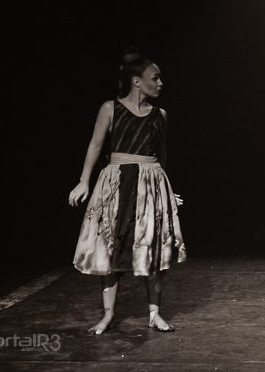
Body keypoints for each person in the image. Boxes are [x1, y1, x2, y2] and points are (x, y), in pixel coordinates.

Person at [69, 47, 187, 334]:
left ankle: (154, 313)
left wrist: (167, 190)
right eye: (155, 78)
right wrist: (84, 181)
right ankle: (108, 314)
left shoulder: (160, 115)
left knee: (153, 247)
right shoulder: (110, 108)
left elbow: (163, 154)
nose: (160, 83)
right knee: (111, 245)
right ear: (137, 81)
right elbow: (96, 145)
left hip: (150, 183)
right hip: (117, 182)